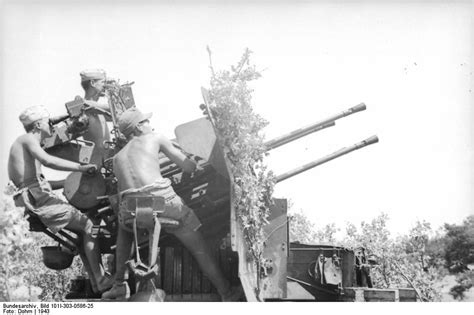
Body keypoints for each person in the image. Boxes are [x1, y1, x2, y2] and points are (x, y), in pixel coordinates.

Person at [101, 108, 242, 301]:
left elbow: (126, 189)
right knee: (198, 244)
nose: (151, 125)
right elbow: (187, 166)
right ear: (139, 126)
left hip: (129, 206)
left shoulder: (117, 158)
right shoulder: (155, 138)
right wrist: (193, 164)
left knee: (124, 231)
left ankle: (119, 285)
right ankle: (226, 292)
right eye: (146, 122)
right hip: (161, 201)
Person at [8, 105, 113, 294]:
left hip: (36, 196)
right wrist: (81, 168)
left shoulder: (26, 143)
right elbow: (48, 160)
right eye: (48, 123)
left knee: (83, 232)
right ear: (38, 125)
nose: (52, 126)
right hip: (39, 200)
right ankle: (100, 278)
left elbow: (37, 181)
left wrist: (67, 182)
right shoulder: (28, 139)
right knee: (90, 226)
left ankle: (98, 283)